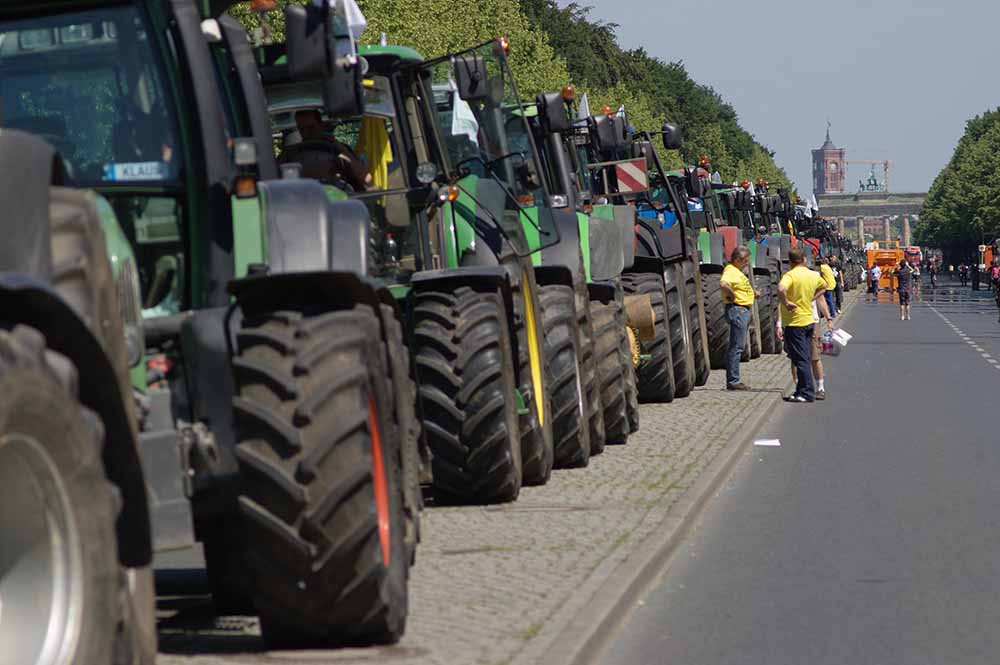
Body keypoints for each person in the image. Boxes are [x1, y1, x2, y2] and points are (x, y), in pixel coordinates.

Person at [777, 247, 827, 402]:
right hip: (809, 321)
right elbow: (825, 286)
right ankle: (800, 391)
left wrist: (786, 302)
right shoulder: (813, 275)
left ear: (790, 261)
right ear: (804, 259)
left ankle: (807, 393)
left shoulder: (790, 275)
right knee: (804, 357)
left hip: (794, 322)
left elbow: (780, 288)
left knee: (801, 359)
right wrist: (812, 297)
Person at [278, 109, 371, 191]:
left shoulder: (339, 149)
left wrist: (340, 149)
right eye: (302, 129)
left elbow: (366, 178)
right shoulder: (290, 155)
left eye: (311, 128)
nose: (307, 133)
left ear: (321, 125)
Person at [719, 246, 758, 391]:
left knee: (738, 346)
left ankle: (734, 379)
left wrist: (752, 293)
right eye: (745, 261)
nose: (747, 263)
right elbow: (723, 284)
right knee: (736, 347)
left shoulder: (737, 272)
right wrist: (733, 295)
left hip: (742, 310)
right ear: (737, 260)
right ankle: (733, 381)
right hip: (738, 310)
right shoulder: (730, 271)